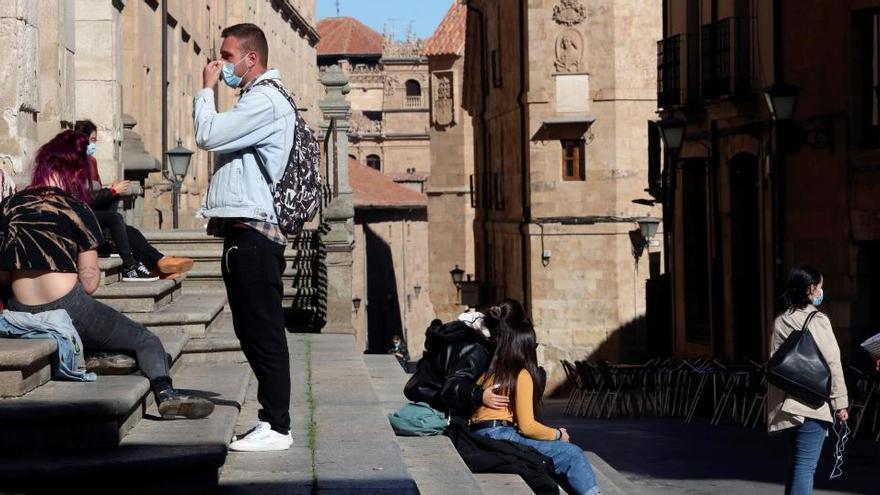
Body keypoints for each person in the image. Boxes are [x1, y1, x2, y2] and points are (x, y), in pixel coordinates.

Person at [0, 130, 214, 419]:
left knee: (109, 342)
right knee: (146, 341)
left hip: (19, 307)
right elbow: (89, 284)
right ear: (76, 172)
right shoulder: (78, 209)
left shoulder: (10, 205)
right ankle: (166, 393)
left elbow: (3, 276)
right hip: (69, 305)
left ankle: (93, 356)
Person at [194, 23, 295, 452]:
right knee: (250, 330)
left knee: (264, 331)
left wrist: (206, 90)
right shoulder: (255, 100)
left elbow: (207, 134)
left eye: (228, 56)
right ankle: (272, 421)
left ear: (251, 59)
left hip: (256, 233)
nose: (220, 65)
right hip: (243, 231)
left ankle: (277, 425)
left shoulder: (266, 102)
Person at [469, 312, 600, 495]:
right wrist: (557, 434)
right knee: (572, 454)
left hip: (481, 434)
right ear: (525, 346)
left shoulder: (490, 373)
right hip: (500, 434)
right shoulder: (520, 375)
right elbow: (527, 426)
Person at [73, 120, 193, 282]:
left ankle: (159, 263)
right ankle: (134, 266)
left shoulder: (91, 162)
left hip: (94, 218)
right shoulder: (74, 164)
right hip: (81, 220)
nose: (94, 145)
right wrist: (112, 191)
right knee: (117, 220)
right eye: (92, 140)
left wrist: (111, 192)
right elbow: (83, 198)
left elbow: (95, 195)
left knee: (130, 231)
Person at [768, 265, 849, 495]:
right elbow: (833, 362)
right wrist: (839, 402)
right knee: (805, 467)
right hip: (812, 404)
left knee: (797, 465)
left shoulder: (781, 320)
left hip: (788, 404)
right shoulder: (817, 320)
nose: (822, 292)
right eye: (820, 287)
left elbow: (775, 363)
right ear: (811, 289)